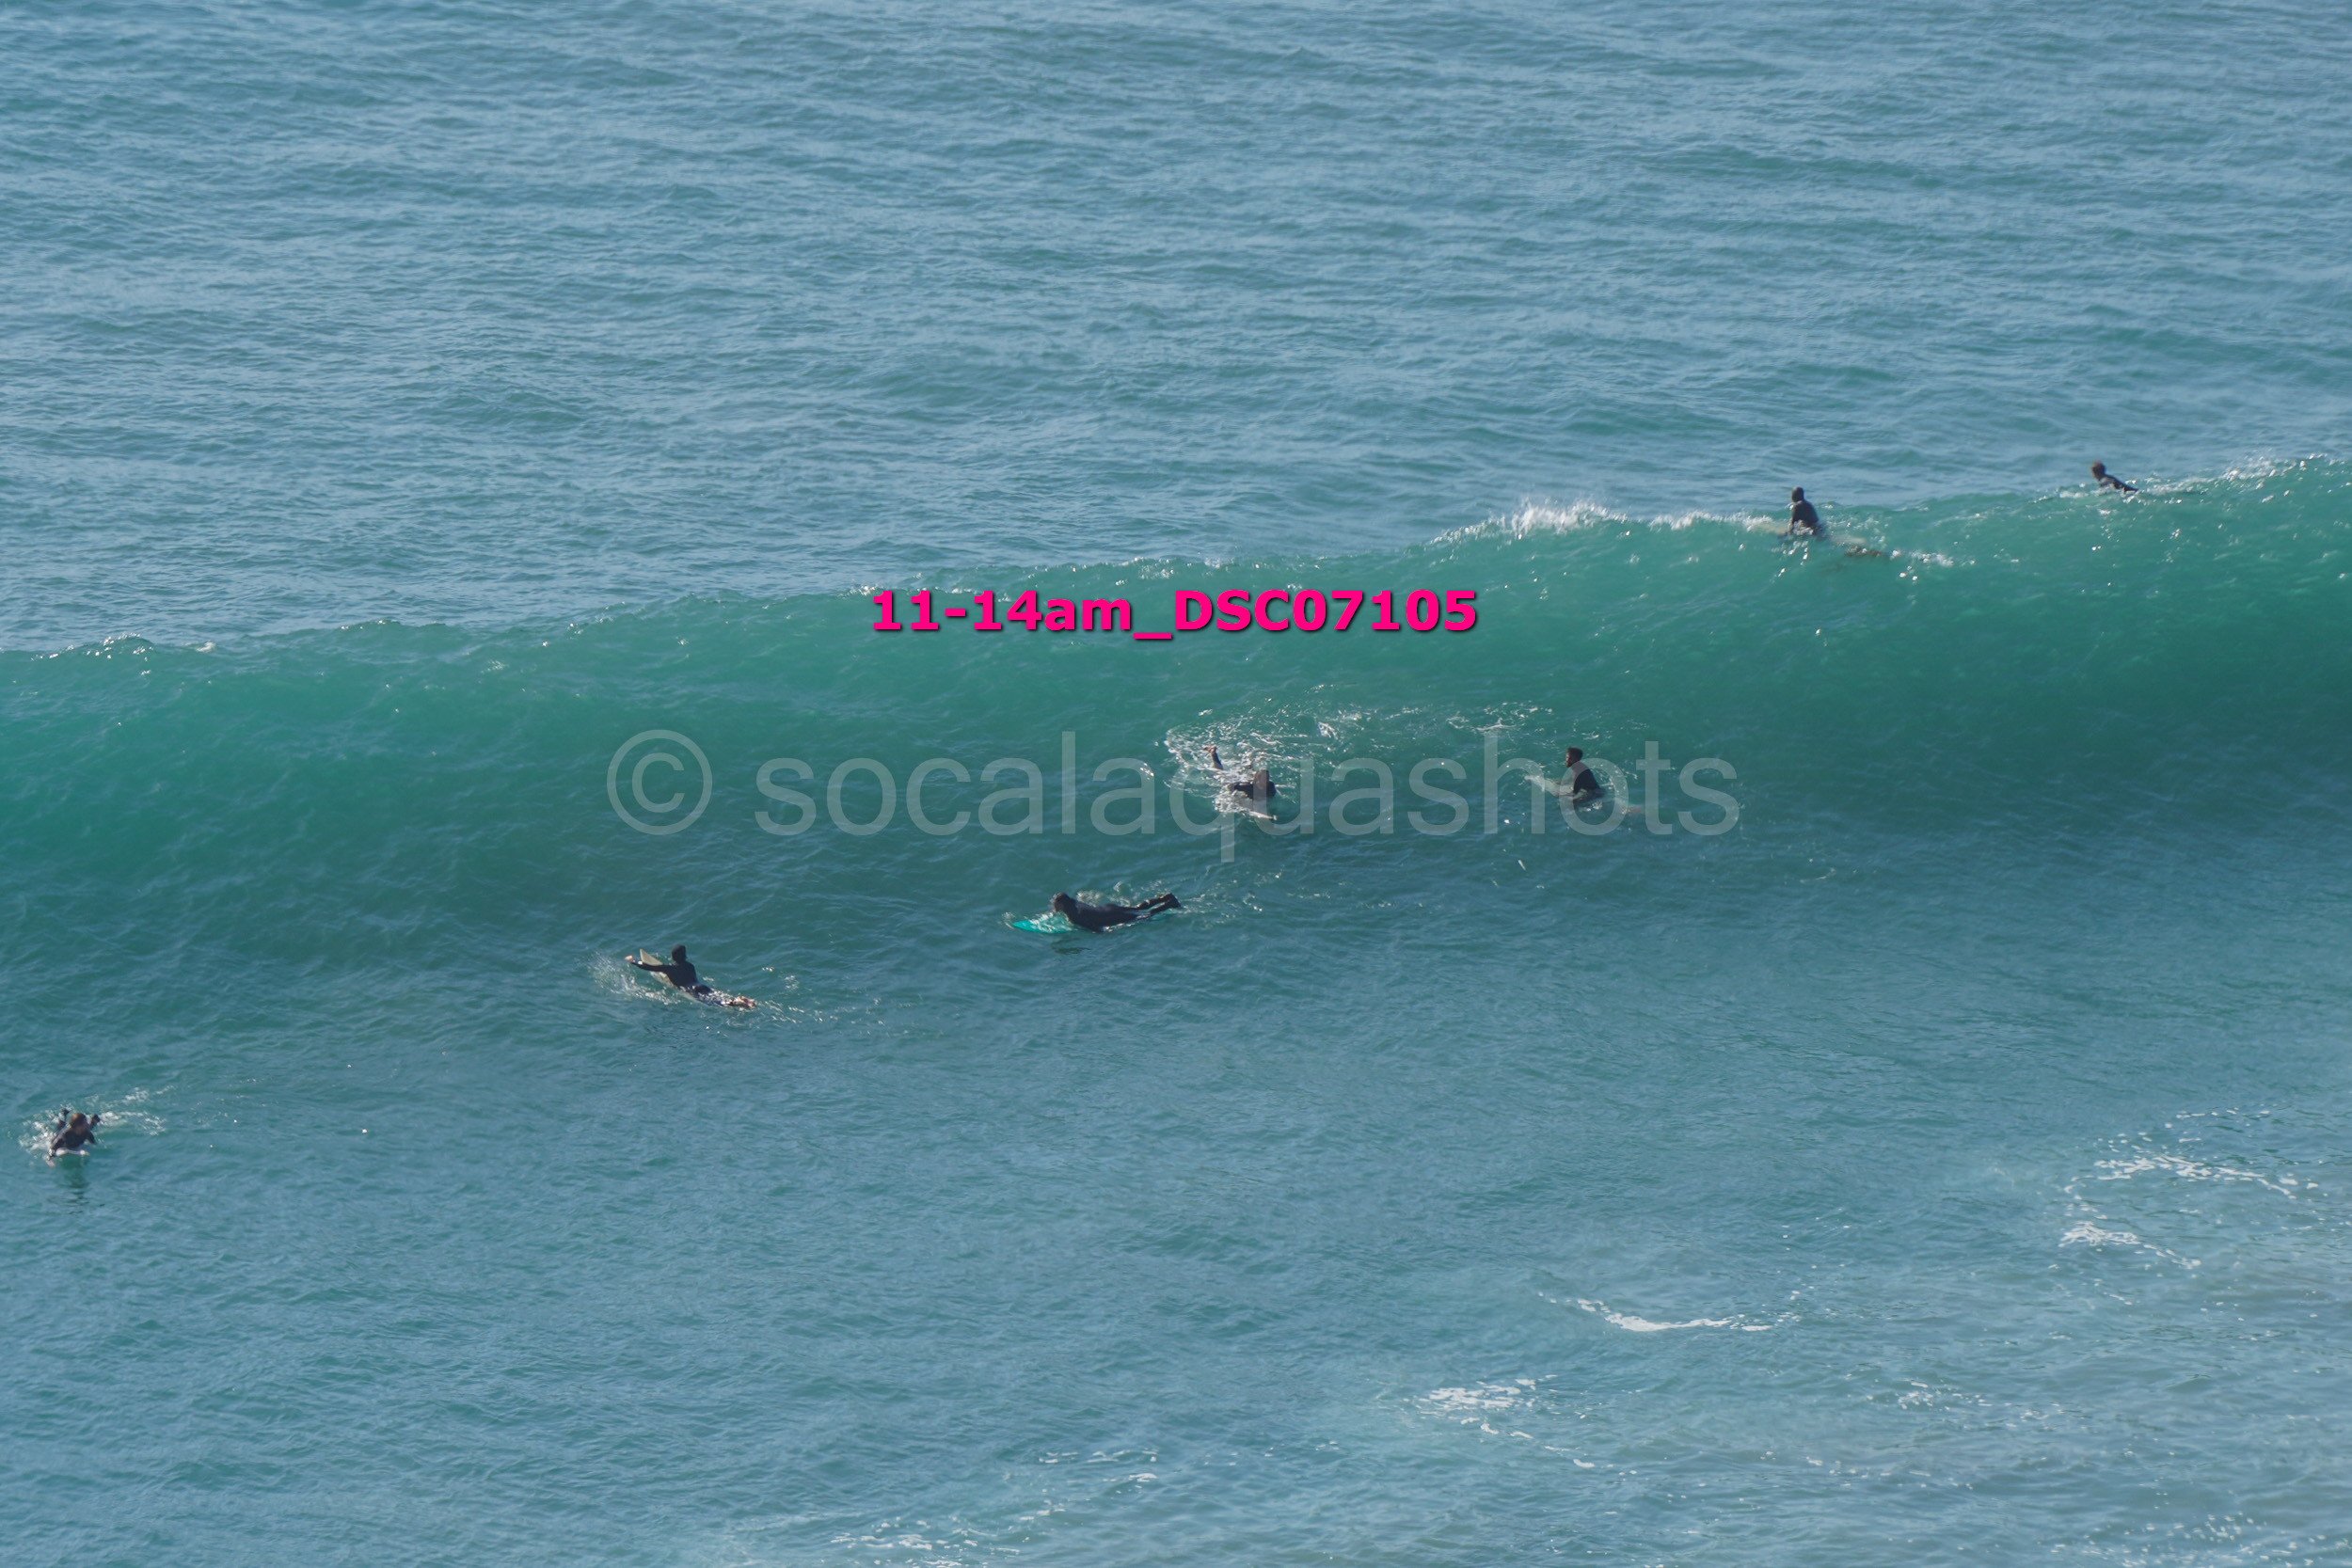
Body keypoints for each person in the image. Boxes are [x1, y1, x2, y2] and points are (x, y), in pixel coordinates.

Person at [1051, 892, 1182, 933]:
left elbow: (1094, 928)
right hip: (1109, 908)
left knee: (1144, 917)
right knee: (1137, 908)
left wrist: (1106, 934)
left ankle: (1169, 904)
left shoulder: (1073, 916)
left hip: (1109, 917)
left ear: (1062, 904)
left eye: (1055, 904)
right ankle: (1164, 898)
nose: (1053, 906)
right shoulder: (1073, 902)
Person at [628, 943, 712, 996]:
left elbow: (648, 967)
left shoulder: (670, 968)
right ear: (684, 955)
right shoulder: (690, 966)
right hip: (703, 987)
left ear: (673, 957)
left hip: (692, 991)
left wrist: (634, 960)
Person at [1207, 745, 1275, 805]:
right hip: (1236, 779)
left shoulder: (1271, 786)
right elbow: (1230, 787)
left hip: (1248, 778)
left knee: (1249, 769)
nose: (1267, 780)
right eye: (1265, 779)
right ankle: (1212, 752)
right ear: (1258, 779)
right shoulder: (1248, 787)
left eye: (1267, 778)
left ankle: (1250, 757)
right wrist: (1235, 799)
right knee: (1220, 770)